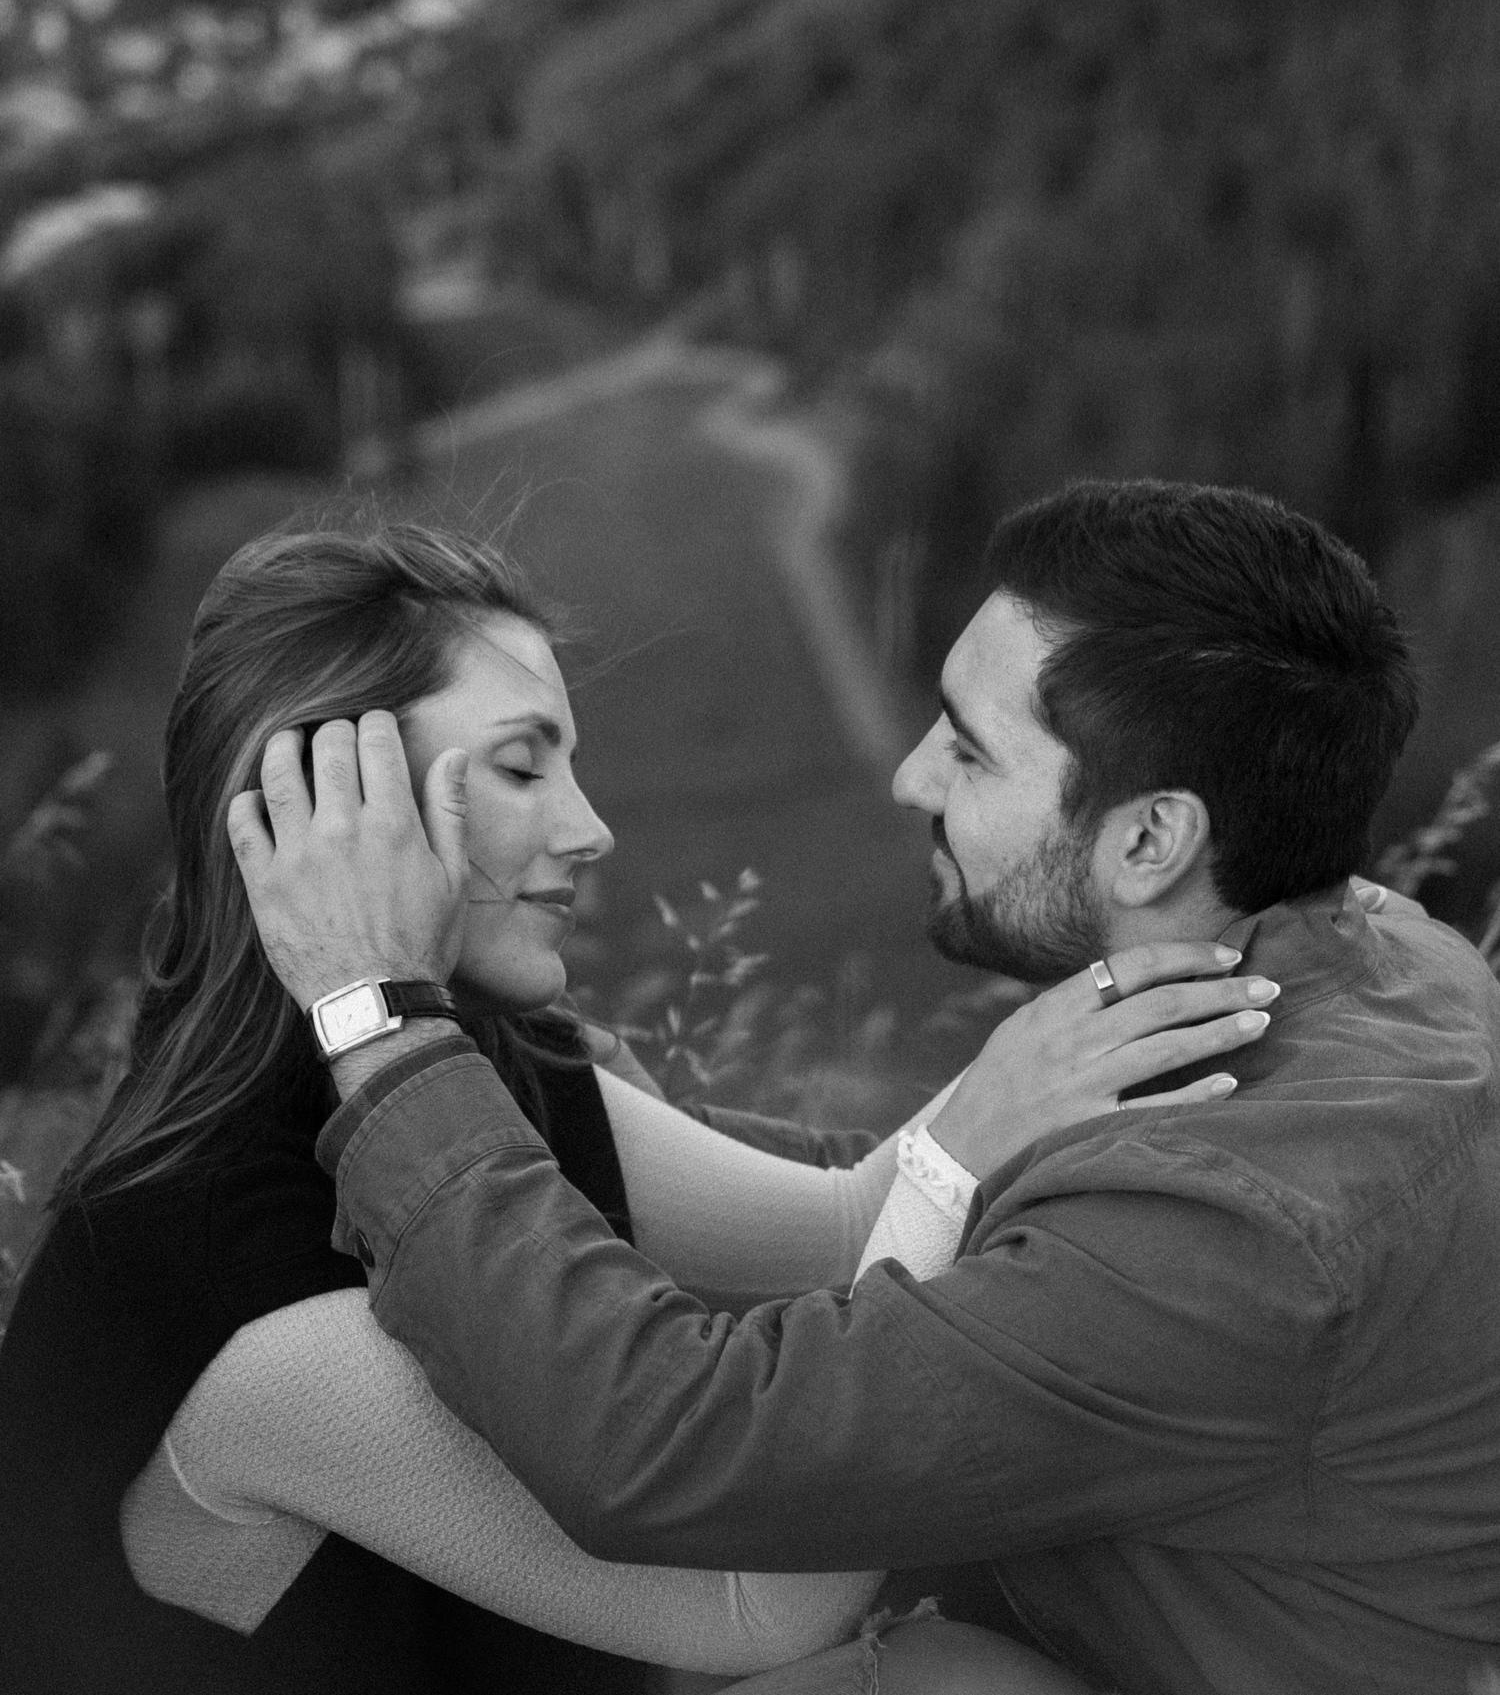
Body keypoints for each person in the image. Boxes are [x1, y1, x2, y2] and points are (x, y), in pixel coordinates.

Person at [239, 480, 1500, 1695]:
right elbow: (937, 1240)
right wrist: (545, 1070)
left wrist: (383, 1019)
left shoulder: (1232, 1223)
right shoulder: (1376, 956)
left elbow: (667, 1443)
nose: (909, 775)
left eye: (966, 747)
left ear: (1150, 837)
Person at [0, 520, 1262, 1695]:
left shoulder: (469, 1067)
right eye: (518, 764)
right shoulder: (232, 1276)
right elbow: (752, 1605)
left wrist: (1100, 1007)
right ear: (341, 803)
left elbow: (833, 1228)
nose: (591, 827)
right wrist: (965, 1154)